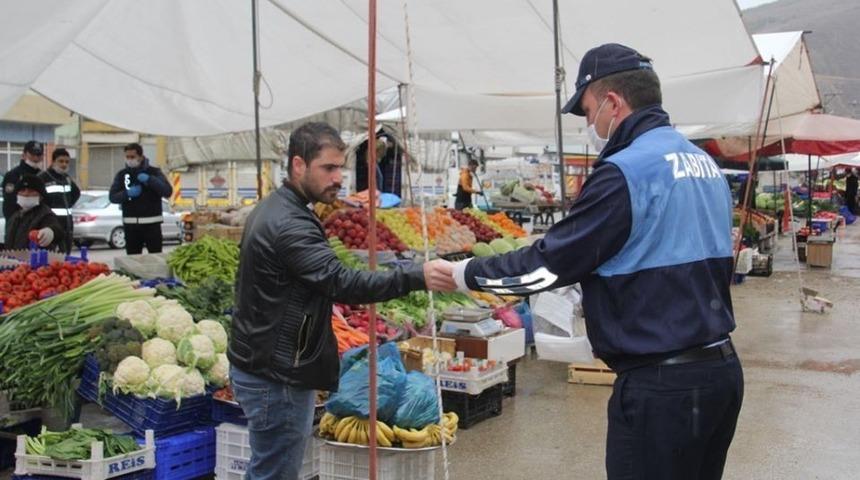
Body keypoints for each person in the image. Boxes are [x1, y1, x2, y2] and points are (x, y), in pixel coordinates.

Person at [450, 44, 743, 479]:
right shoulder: (704, 165)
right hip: (720, 374)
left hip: (662, 388)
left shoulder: (627, 170)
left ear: (612, 103)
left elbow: (548, 265)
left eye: (587, 112)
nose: (590, 125)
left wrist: (463, 273)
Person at [226, 122, 455, 480]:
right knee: (275, 471)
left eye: (341, 168)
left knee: (269, 465)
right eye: (328, 168)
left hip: (266, 360)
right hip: (278, 373)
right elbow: (343, 282)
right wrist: (415, 275)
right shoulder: (290, 223)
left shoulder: (281, 207)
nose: (338, 178)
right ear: (299, 165)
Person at [108, 143, 172, 254]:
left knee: (155, 258)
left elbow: (167, 191)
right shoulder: (122, 175)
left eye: (132, 157)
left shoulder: (154, 172)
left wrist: (150, 180)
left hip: (152, 225)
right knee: (133, 260)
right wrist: (127, 193)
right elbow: (112, 197)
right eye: (127, 157)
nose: (129, 160)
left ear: (140, 157)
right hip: (131, 226)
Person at [4, 174, 65, 251]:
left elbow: (57, 229)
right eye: (22, 190)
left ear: (40, 196)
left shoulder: (45, 214)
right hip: (14, 261)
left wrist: (51, 231)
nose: (26, 194)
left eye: (31, 191)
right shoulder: (15, 216)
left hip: (36, 261)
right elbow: (9, 246)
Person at [39, 148, 81, 254]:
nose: (64, 164)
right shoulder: (43, 178)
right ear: (53, 162)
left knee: (66, 259)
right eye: (61, 161)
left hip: (67, 227)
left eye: (67, 162)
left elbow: (76, 193)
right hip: (51, 227)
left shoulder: (66, 178)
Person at [3, 140, 44, 220]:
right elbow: (9, 203)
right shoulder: (13, 175)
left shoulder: (43, 175)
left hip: (38, 221)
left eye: (39, 155)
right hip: (18, 221)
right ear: (24, 155)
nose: (36, 158)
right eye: (32, 154)